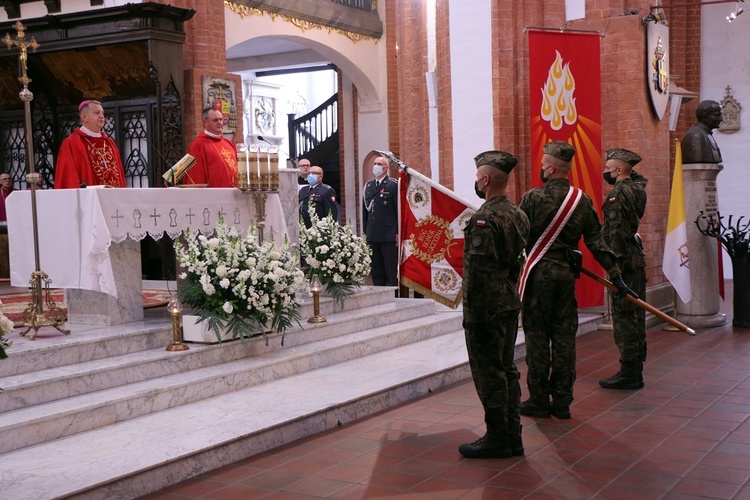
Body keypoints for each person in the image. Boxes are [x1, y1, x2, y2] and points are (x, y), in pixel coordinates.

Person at [518, 141, 636, 419]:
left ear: (551, 167)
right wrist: (616, 276)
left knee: (537, 338)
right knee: (563, 338)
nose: (541, 170)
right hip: (564, 277)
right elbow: (597, 241)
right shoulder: (581, 200)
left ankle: (538, 399)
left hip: (537, 276)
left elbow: (518, 239)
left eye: (543, 165)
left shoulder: (532, 198)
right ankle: (562, 401)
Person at [458, 151, 530, 459]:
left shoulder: (485, 219)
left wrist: (472, 314)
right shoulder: (518, 213)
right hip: (508, 297)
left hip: (487, 305)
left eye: (477, 178)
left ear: (485, 180)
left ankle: (497, 436)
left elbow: (477, 272)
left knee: (489, 372)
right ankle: (512, 435)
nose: (476, 182)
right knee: (507, 369)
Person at [599, 148, 648, 390]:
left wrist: (613, 269)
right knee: (637, 315)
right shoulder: (637, 188)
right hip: (637, 258)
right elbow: (638, 177)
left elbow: (615, 235)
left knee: (625, 316)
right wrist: (626, 168)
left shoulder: (617, 195)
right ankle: (636, 368)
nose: (604, 173)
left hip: (624, 263)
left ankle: (629, 371)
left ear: (619, 170)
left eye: (608, 169)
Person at [54, 100, 127, 189]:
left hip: (113, 199)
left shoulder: (109, 142)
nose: (102, 116)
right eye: (97, 113)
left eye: (102, 113)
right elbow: (68, 178)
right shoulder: (72, 143)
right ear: (84, 117)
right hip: (89, 200)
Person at [362, 155, 398, 286]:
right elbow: (365, 210)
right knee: (376, 268)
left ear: (386, 168)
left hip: (388, 233)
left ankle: (392, 295)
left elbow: (398, 210)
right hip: (372, 233)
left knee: (389, 268)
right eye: (375, 163)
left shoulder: (393, 185)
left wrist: (398, 232)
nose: (376, 166)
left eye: (379, 164)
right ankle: (379, 293)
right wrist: (365, 230)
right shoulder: (369, 185)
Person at [183, 107, 238, 187]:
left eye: (221, 119)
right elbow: (196, 176)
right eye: (215, 120)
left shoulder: (228, 143)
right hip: (213, 196)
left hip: (234, 194)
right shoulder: (198, 145)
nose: (220, 123)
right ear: (205, 122)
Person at [681, 100, 723, 164]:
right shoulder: (696, 136)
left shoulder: (707, 134)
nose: (721, 119)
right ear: (704, 116)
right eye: (717, 115)